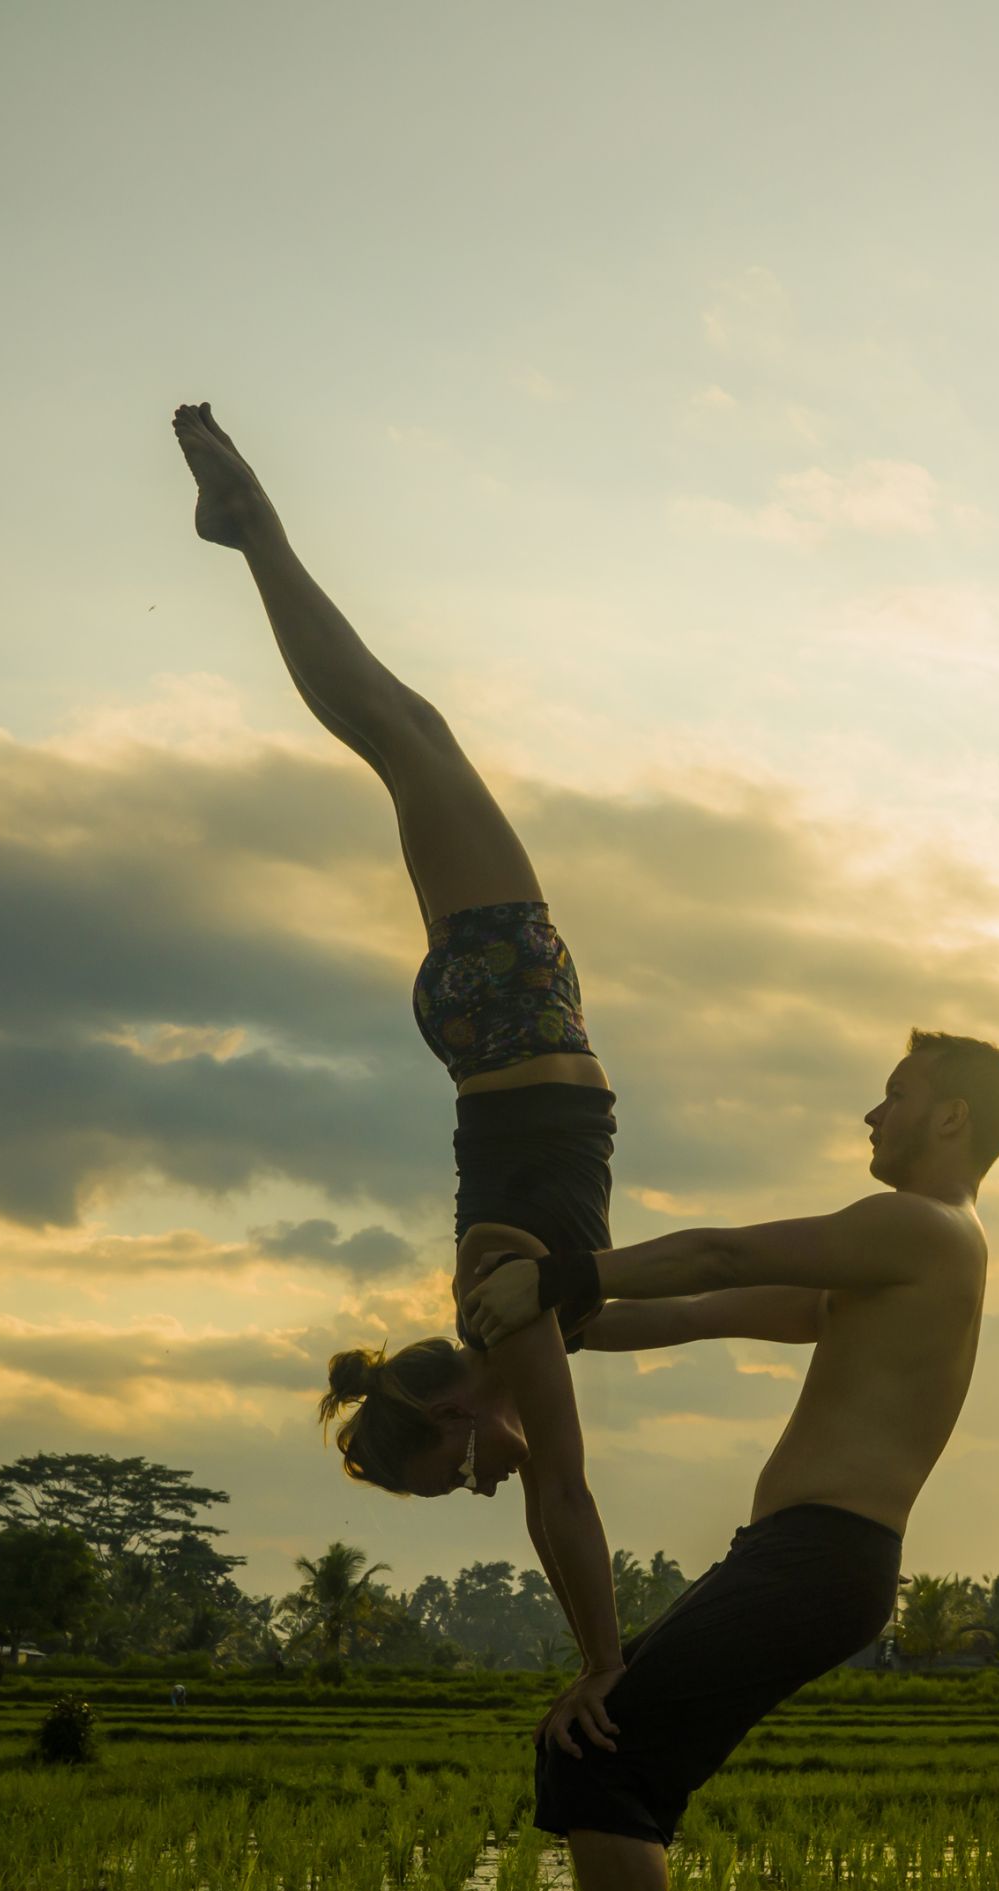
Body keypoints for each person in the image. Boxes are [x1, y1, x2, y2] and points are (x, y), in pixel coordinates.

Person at [171, 403, 630, 1729]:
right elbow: (682, 1305)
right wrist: (834, 1297)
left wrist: (603, 1664)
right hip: (509, 1024)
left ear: (448, 1416)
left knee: (395, 732)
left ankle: (251, 531)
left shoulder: (508, 1310)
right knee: (405, 728)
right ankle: (252, 531)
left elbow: (565, 1496)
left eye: (456, 1471)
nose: (488, 1480)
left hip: (512, 1022)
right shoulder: (532, 1317)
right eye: (476, 1481)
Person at [464, 1029, 999, 1891]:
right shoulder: (903, 1258)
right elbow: (697, 1308)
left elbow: (721, 1253)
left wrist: (560, 1272)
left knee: (600, 1758)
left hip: (820, 1557)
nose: (872, 1113)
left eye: (894, 1094)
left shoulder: (916, 1227)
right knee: (609, 1748)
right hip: (802, 1556)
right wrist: (551, 1324)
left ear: (950, 1117)